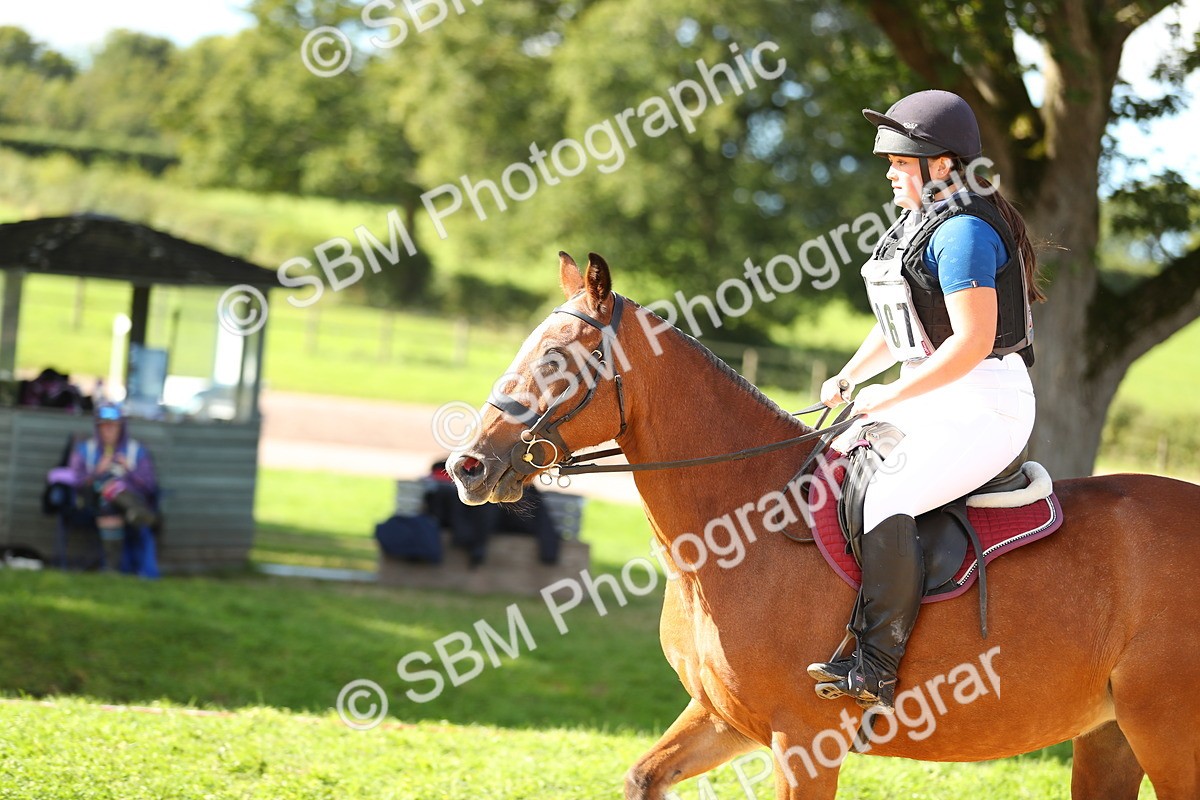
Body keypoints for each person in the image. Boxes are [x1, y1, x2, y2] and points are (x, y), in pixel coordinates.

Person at [805, 90, 1043, 713]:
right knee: (829, 466)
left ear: (941, 165)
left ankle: (876, 666)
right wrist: (852, 376)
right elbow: (899, 326)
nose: (888, 173)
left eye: (899, 163)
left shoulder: (963, 231)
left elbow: (971, 343)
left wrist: (890, 394)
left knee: (888, 492)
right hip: (935, 391)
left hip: (984, 401)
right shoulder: (915, 225)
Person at [65, 403, 160, 576]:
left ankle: (111, 569)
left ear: (121, 427)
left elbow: (150, 485)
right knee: (108, 487)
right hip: (91, 503)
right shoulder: (85, 449)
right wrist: (97, 471)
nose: (108, 430)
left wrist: (130, 470)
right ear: (98, 427)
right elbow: (75, 480)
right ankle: (137, 513)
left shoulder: (136, 450)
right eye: (104, 426)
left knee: (109, 505)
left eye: (113, 426)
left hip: (126, 501)